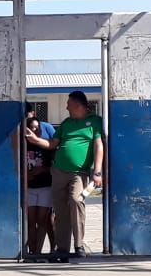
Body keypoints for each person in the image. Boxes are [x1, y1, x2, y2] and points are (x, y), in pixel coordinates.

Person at [25, 90, 103, 262]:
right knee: (60, 211)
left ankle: (79, 244)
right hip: (59, 171)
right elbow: (53, 143)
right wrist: (35, 140)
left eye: (68, 104)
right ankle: (62, 249)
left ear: (77, 104)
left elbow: (98, 145)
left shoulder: (95, 122)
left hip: (79, 172)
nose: (66, 107)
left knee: (76, 200)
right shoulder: (66, 123)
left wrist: (97, 172)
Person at [25, 117, 54, 261]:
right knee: (31, 221)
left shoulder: (46, 145)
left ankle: (38, 252)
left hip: (45, 187)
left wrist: (43, 169)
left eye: (37, 128)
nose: (34, 130)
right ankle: (31, 253)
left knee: (42, 221)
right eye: (31, 127)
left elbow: (54, 167)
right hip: (29, 187)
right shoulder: (22, 146)